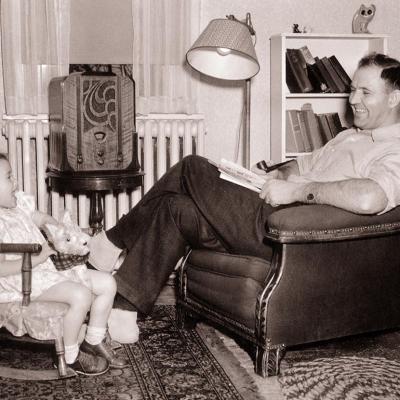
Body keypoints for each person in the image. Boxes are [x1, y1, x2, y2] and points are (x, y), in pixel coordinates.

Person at [89, 52, 400, 316]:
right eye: (353, 89)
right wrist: (275, 174)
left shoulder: (394, 148)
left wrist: (295, 191)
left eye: (365, 93)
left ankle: (113, 241)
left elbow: (370, 199)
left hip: (294, 235)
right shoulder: (349, 135)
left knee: (192, 167)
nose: (353, 98)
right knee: (177, 208)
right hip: (275, 213)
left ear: (395, 97)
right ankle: (122, 314)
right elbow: (302, 164)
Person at [0, 154, 128, 376]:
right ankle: (71, 356)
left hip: (45, 269)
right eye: (9, 177)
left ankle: (93, 339)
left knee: (108, 283)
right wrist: (36, 259)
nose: (16, 182)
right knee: (81, 295)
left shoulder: (18, 203)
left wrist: (60, 230)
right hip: (22, 281)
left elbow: (40, 218)